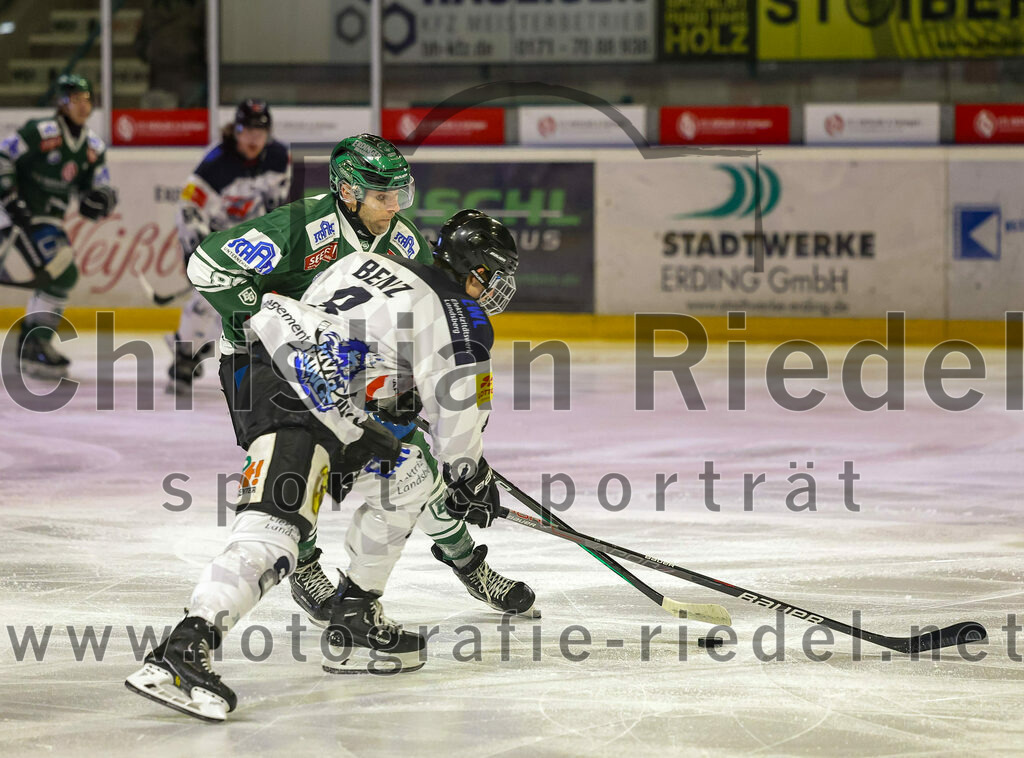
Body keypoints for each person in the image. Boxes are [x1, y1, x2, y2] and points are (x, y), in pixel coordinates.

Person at [125, 209, 519, 721]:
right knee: (276, 528)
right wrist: (471, 476)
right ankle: (180, 653)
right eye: (496, 276)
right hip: (301, 397)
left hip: (277, 368)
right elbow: (459, 423)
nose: (497, 289)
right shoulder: (463, 318)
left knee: (411, 476)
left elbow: (328, 319)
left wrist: (383, 395)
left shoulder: (375, 261)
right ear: (476, 272)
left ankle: (353, 612)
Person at [182, 133, 534, 620]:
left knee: (416, 470)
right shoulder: (303, 224)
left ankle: (467, 563)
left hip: (348, 373)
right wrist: (266, 322)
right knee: (292, 477)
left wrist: (411, 387)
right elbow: (210, 264)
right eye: (382, 197)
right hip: (268, 369)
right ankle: (303, 566)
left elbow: (428, 314)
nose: (394, 207)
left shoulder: (404, 239)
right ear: (347, 192)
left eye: (399, 195)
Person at [167, 98, 290, 395]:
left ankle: (245, 359)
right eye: (247, 130)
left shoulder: (278, 157)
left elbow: (277, 206)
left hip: (254, 243)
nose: (253, 138)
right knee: (209, 302)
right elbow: (187, 206)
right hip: (215, 243)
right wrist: (196, 249)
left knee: (265, 302)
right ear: (235, 131)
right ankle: (185, 355)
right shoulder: (215, 164)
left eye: (260, 132)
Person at [0, 73, 118, 377]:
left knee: (63, 273)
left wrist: (101, 200)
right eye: (74, 99)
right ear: (61, 103)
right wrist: (10, 198)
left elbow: (99, 187)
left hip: (43, 221)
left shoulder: (93, 146)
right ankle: (33, 344)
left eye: (86, 99)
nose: (81, 105)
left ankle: (34, 343)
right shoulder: (41, 131)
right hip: (8, 213)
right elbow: (2, 156)